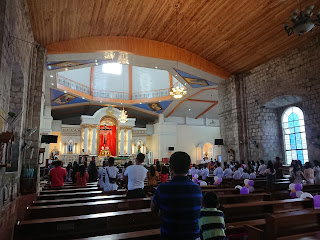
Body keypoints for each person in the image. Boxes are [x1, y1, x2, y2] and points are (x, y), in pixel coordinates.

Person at [151, 151, 202, 239]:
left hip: (170, 235)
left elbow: (153, 208)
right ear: (188, 168)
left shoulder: (162, 188)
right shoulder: (197, 188)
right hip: (193, 236)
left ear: (170, 168)